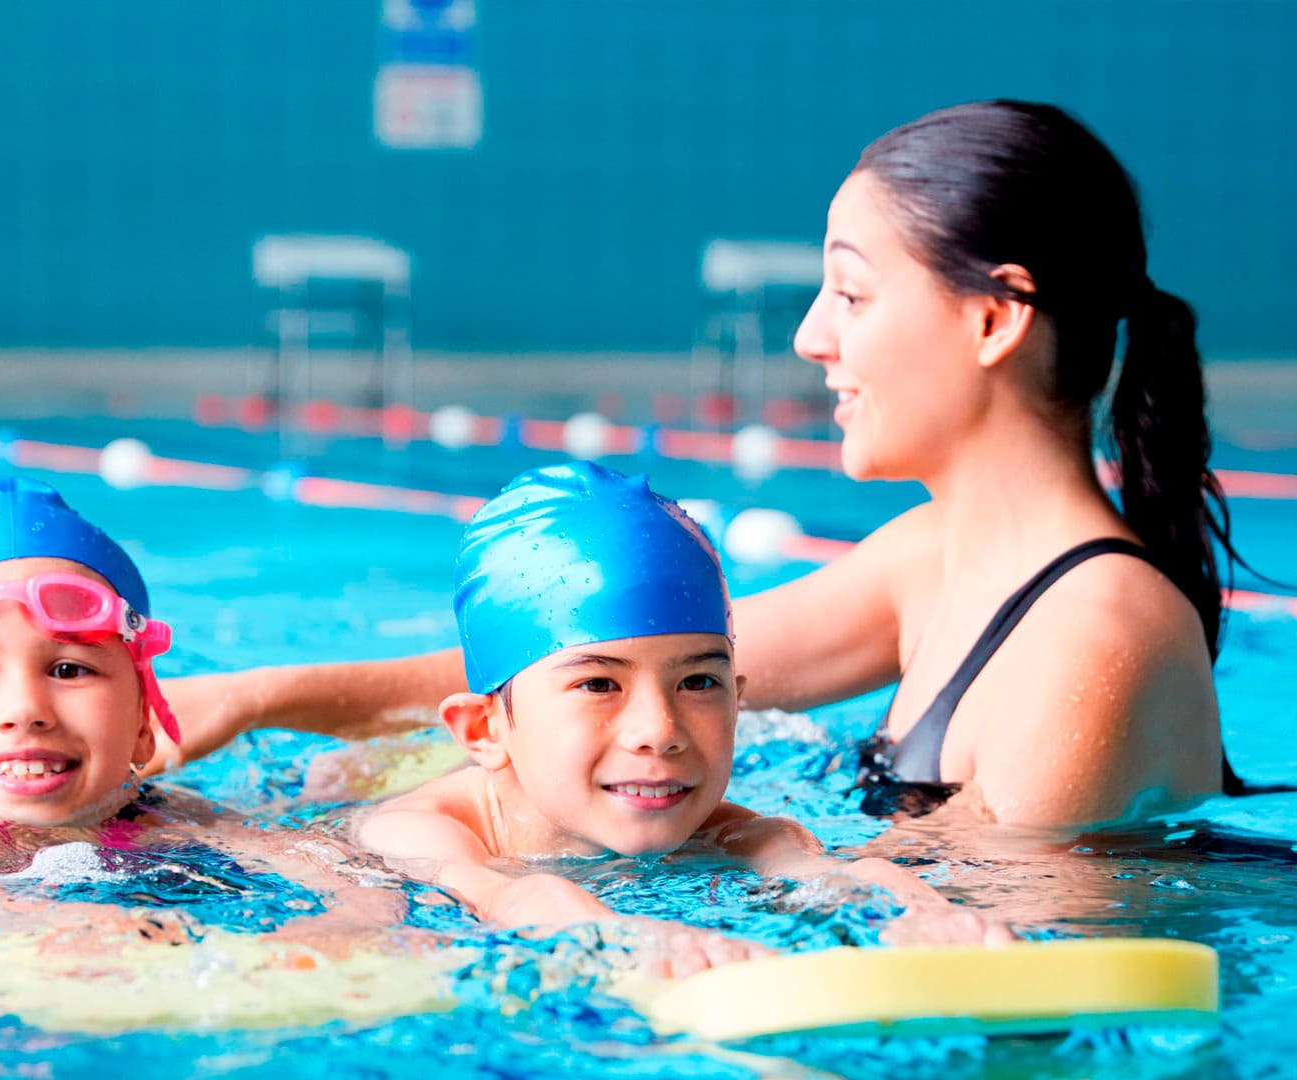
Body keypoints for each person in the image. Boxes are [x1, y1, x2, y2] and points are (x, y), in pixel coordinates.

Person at [155, 100, 1251, 830]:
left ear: (992, 319)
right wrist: (254, 703)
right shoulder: (938, 557)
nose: (813, 337)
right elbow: (580, 665)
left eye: (854, 295)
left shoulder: (1091, 642)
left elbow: (965, 960)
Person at [354, 463, 1012, 968]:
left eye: (698, 681)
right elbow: (503, 895)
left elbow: (815, 869)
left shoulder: (730, 830)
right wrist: (601, 931)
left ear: (740, 696)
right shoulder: (415, 833)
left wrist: (911, 906)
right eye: (597, 686)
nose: (660, 732)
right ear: (484, 729)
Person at [0, 477, 413, 953]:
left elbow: (341, 877)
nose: (24, 710)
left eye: (67, 669)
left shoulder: (175, 819)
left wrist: (344, 924)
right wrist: (46, 924)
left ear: (141, 729)